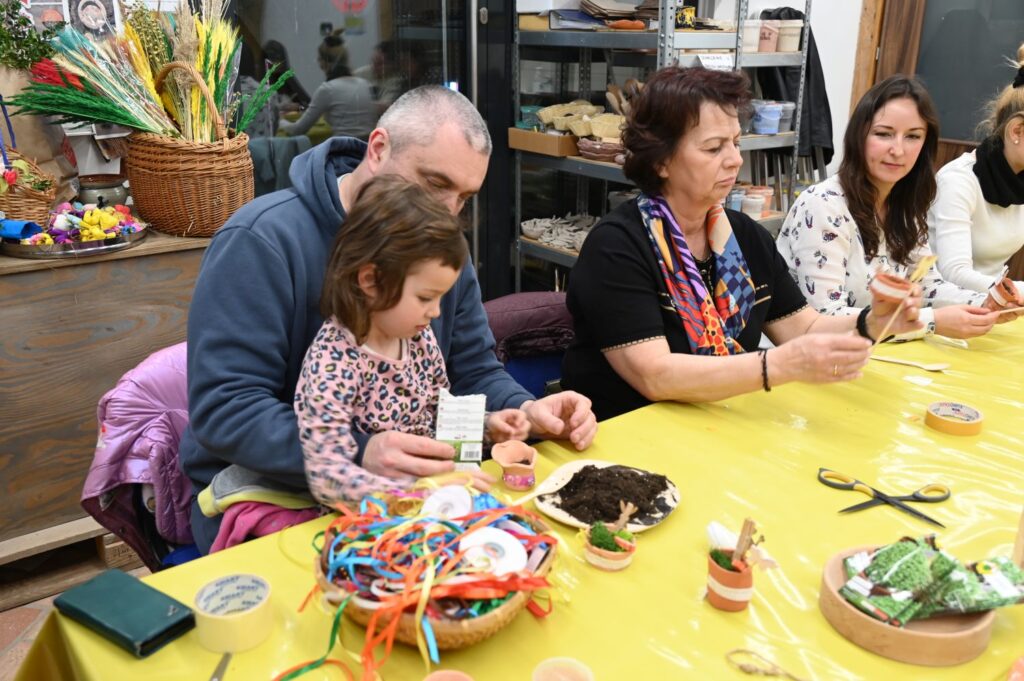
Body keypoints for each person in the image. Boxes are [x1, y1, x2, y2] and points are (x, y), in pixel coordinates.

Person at [181, 86, 597, 553]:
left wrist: (523, 411)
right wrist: (364, 449)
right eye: (435, 184)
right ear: (378, 150)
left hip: (404, 491)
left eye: (465, 198)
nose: (447, 212)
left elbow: (473, 371)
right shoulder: (262, 242)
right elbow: (227, 410)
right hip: (274, 494)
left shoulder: (437, 249)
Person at [561, 67, 922, 421]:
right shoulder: (618, 247)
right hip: (625, 435)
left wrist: (874, 321)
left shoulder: (744, 236)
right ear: (661, 161)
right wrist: (776, 366)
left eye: (735, 142)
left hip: (715, 419)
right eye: (714, 148)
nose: (735, 160)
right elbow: (655, 376)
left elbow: (804, 328)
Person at [297, 175, 529, 506]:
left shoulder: (416, 337)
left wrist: (490, 425)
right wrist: (423, 490)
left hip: (433, 503)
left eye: (440, 298)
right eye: (425, 297)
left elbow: (434, 414)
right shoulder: (334, 362)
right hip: (371, 525)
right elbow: (329, 477)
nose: (436, 312)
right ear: (371, 280)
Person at [778, 75, 1015, 341]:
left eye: (913, 136)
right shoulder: (823, 205)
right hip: (813, 362)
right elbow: (823, 317)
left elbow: (928, 287)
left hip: (876, 357)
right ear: (859, 135)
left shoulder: (905, 207)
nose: (898, 150)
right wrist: (933, 322)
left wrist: (986, 302)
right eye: (883, 134)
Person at [927, 43, 1024, 300]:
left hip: (993, 307)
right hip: (942, 310)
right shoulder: (958, 181)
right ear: (1017, 131)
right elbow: (954, 272)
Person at [278, 29, 376, 141]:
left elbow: (298, 130)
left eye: (319, 59)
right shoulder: (364, 84)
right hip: (368, 150)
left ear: (323, 63)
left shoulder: (328, 89)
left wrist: (281, 122)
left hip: (344, 151)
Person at [262, 40, 311, 111]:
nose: (277, 64)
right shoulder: (259, 82)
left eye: (279, 61)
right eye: (273, 61)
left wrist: (298, 107)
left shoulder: (287, 78)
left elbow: (309, 105)